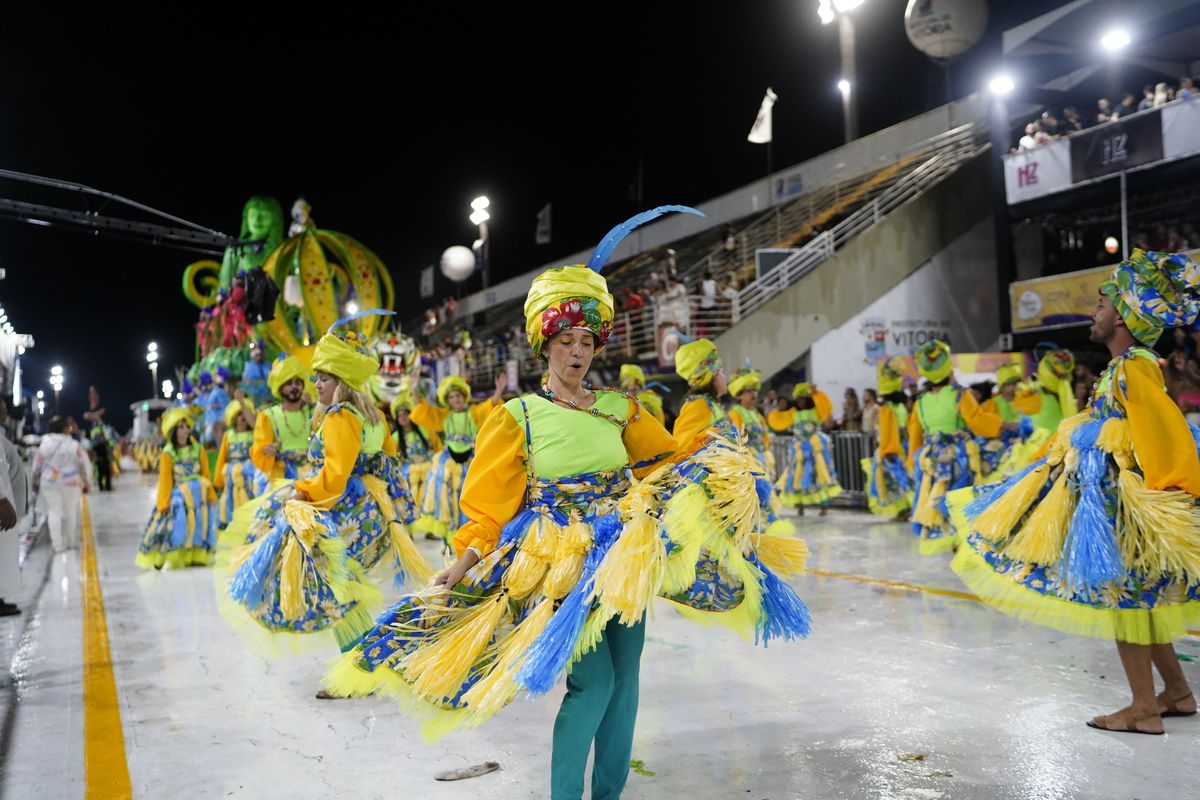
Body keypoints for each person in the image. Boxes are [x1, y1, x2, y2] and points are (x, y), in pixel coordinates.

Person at [325, 210, 810, 799]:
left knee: (626, 683)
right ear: (545, 345)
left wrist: (721, 463)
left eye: (586, 341)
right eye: (565, 341)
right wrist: (462, 562)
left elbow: (667, 464)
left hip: (625, 555)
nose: (577, 352)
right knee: (593, 683)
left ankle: (607, 795)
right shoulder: (517, 417)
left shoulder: (619, 408)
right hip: (561, 562)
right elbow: (487, 507)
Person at [952, 249, 1200, 735]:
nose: (1093, 311)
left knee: (1125, 600)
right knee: (1140, 597)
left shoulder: (1133, 367)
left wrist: (1172, 494)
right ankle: (1176, 692)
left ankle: (1144, 709)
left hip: (1125, 506)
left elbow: (1164, 431)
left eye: (1102, 304)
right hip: (1113, 500)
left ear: (1124, 316)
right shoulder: (1124, 366)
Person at [220, 316, 430, 684]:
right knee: (344, 591)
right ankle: (369, 662)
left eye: (324, 378)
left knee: (337, 592)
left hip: (342, 512)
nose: (315, 385)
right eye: (316, 378)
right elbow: (387, 459)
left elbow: (334, 478)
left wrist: (301, 492)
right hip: (370, 511)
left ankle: (361, 670)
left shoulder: (340, 416)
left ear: (342, 382)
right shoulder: (375, 417)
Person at [906, 340, 1012, 554]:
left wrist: (912, 462)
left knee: (941, 498)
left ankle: (951, 537)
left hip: (933, 460)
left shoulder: (920, 402)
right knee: (964, 495)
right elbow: (978, 421)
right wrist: (1009, 426)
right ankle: (964, 541)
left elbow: (914, 436)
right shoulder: (959, 395)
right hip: (960, 457)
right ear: (948, 369)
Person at [410, 372, 505, 542]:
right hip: (448, 461)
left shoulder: (474, 413)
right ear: (448, 400)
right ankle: (448, 538)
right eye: (452, 397)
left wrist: (499, 390)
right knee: (444, 493)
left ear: (464, 396)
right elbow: (423, 410)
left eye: (458, 396)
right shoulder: (444, 416)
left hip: (470, 460)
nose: (455, 400)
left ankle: (470, 534)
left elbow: (490, 407)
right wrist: (414, 389)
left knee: (469, 496)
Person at [137, 408, 217, 569]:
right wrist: (163, 503)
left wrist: (210, 493)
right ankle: (169, 555)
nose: (185, 430)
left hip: (199, 496)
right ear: (174, 431)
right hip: (180, 497)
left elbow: (205, 473)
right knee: (177, 527)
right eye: (181, 427)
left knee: (199, 525)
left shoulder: (198, 448)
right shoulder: (168, 453)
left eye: (186, 426)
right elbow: (165, 480)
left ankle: (196, 555)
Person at [776, 382, 841, 516]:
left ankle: (824, 505)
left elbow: (826, 407)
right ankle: (800, 506)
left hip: (814, 449)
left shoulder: (815, 411)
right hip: (799, 450)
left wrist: (816, 393)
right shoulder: (793, 413)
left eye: (803, 399)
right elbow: (779, 421)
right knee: (797, 475)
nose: (800, 402)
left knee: (819, 475)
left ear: (808, 399)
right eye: (798, 399)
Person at [250, 354, 313, 482]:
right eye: (289, 383)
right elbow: (258, 447)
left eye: (297, 383)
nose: (294, 387)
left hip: (311, 477)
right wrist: (265, 449)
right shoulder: (268, 416)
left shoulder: (313, 413)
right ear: (280, 388)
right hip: (281, 480)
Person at [32, 415, 90, 553]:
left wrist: (34, 481)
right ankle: (71, 542)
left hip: (49, 482)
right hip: (71, 483)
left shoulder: (45, 444)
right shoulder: (74, 445)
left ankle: (57, 545)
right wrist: (86, 481)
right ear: (65, 428)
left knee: (54, 511)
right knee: (71, 512)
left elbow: (37, 466)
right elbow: (81, 465)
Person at [213, 398, 263, 528]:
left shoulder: (253, 434)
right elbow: (222, 457)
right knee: (231, 499)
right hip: (232, 477)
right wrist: (218, 481)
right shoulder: (228, 435)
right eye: (239, 414)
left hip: (250, 475)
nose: (242, 417)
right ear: (234, 417)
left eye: (244, 414)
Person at [389, 393, 438, 506]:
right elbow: (394, 459)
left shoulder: (424, 429)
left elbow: (436, 447)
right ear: (397, 419)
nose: (403, 418)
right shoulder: (395, 437)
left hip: (429, 469)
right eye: (399, 416)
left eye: (405, 414)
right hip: (410, 473)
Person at [727, 367, 773, 477]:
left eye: (755, 390)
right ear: (739, 395)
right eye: (748, 391)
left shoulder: (757, 415)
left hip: (762, 460)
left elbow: (765, 436)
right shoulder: (735, 412)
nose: (753, 394)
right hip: (746, 462)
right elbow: (736, 439)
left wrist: (767, 453)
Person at [241, 341, 272, 406]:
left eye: (260, 353)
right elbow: (246, 384)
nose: (258, 356)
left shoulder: (268, 365)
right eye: (256, 354)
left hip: (268, 400)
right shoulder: (249, 366)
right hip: (254, 401)